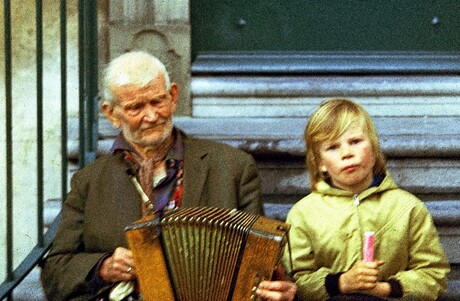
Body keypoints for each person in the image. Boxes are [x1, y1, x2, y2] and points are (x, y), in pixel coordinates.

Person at [40, 51, 297, 301]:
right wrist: (102, 267)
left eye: (157, 101)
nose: (151, 116)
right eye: (135, 107)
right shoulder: (89, 181)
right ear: (111, 114)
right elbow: (55, 273)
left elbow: (265, 260)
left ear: (173, 96)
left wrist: (280, 289)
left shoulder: (232, 167)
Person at [282, 98, 450, 301]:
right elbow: (294, 281)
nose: (347, 153)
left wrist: (384, 289)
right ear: (320, 164)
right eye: (333, 147)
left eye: (355, 141)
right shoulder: (303, 213)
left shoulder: (408, 207)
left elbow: (433, 274)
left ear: (373, 148)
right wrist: (341, 283)